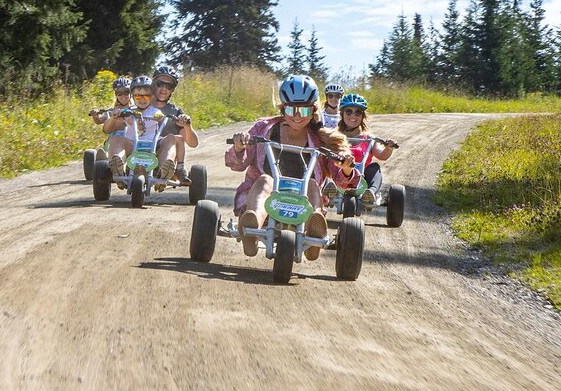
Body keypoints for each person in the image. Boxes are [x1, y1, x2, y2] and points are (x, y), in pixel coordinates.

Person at [226, 75, 358, 260]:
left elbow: (342, 181)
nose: (297, 117)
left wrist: (345, 166)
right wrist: (239, 146)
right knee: (265, 179)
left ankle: (314, 230)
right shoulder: (264, 129)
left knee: (312, 184)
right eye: (291, 110)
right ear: (282, 109)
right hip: (266, 196)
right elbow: (237, 164)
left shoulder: (322, 140)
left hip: (302, 201)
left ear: (312, 112)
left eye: (304, 112)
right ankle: (253, 224)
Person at [336, 93, 396, 205]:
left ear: (362, 116)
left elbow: (382, 155)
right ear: (342, 113)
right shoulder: (335, 136)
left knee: (374, 167)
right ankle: (330, 189)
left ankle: (370, 193)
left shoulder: (369, 138)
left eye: (358, 112)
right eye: (349, 111)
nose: (353, 115)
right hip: (340, 175)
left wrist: (388, 148)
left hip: (363, 178)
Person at [103, 75, 161, 188]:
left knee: (167, 142)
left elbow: (160, 116)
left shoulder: (154, 110)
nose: (143, 99)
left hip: (151, 148)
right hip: (132, 147)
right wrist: (117, 116)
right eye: (138, 97)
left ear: (152, 97)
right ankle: (118, 165)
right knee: (115, 139)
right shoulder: (129, 110)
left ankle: (163, 172)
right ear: (133, 97)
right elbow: (126, 120)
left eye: (147, 96)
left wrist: (159, 116)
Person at [150, 64, 198, 190]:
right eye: (160, 84)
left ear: (172, 90)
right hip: (139, 150)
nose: (164, 89)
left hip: (162, 153)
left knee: (173, 138)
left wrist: (187, 125)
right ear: (153, 84)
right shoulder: (142, 105)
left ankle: (164, 172)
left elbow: (193, 143)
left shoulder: (175, 112)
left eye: (169, 86)